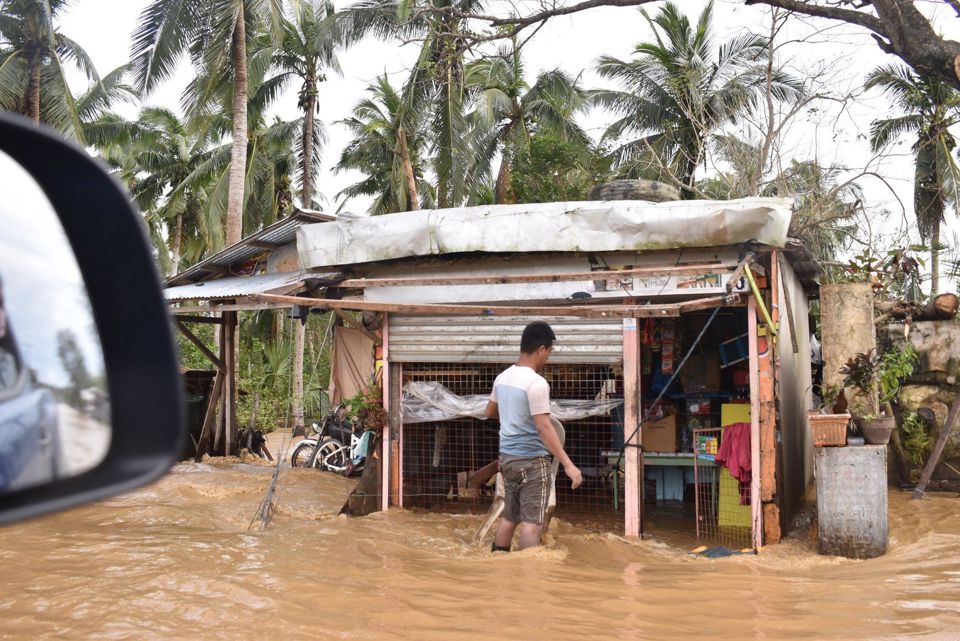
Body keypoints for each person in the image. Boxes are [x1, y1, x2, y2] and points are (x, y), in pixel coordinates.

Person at [483, 321, 582, 551]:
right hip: (531, 462)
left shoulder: (503, 377)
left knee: (510, 518)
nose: (548, 357)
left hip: (507, 458)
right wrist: (568, 465)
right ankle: (528, 575)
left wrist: (514, 417)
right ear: (541, 349)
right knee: (532, 524)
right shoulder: (536, 383)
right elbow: (544, 427)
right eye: (549, 352)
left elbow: (489, 412)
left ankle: (498, 562)